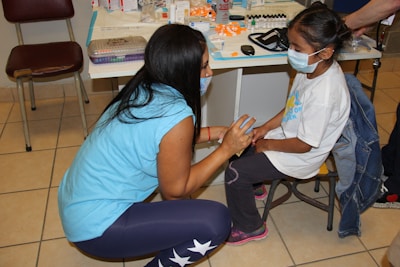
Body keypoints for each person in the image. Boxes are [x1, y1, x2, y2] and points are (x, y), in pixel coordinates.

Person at [58, 24, 255, 266]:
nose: (209, 72)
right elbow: (175, 191)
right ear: (182, 71)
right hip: (96, 227)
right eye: (203, 66)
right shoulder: (177, 116)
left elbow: (163, 140)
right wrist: (225, 150)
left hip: (76, 205)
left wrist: (215, 133)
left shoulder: (146, 86)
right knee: (216, 222)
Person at [224, 2, 352, 245]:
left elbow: (305, 144)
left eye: (296, 47)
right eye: (290, 43)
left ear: (325, 52)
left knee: (234, 172)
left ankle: (250, 227)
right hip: (288, 138)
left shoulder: (325, 94)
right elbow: (293, 107)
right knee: (237, 141)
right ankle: (255, 186)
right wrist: (264, 129)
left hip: (301, 156)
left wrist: (268, 144)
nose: (290, 51)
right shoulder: (311, 70)